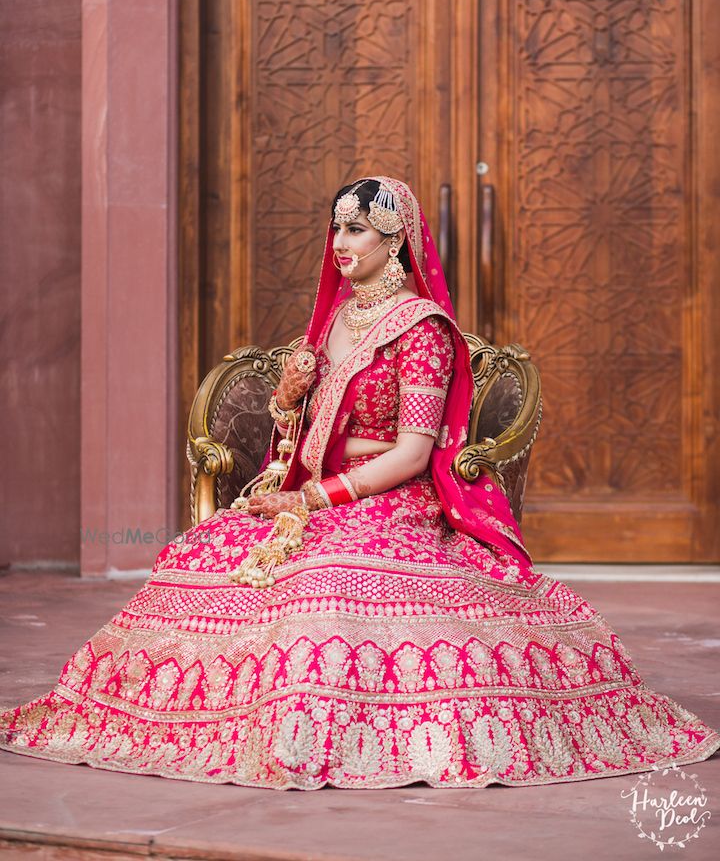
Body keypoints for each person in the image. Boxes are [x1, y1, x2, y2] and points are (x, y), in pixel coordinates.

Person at [1, 176, 718, 789]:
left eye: (357, 230)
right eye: (336, 228)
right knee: (204, 552)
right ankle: (178, 725)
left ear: (395, 238)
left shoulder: (422, 330)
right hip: (316, 490)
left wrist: (314, 497)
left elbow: (412, 454)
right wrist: (287, 400)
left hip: (390, 502)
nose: (340, 243)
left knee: (321, 583)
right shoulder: (341, 317)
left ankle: (316, 736)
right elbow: (305, 438)